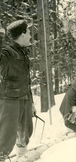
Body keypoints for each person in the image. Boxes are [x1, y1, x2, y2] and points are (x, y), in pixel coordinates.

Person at [0, 20, 36, 162]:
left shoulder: (23, 53)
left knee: (26, 131)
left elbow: (26, 79)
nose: (30, 37)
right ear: (22, 35)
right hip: (9, 99)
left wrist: (31, 102)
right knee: (6, 137)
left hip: (24, 98)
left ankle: (22, 157)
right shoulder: (7, 52)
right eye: (28, 33)